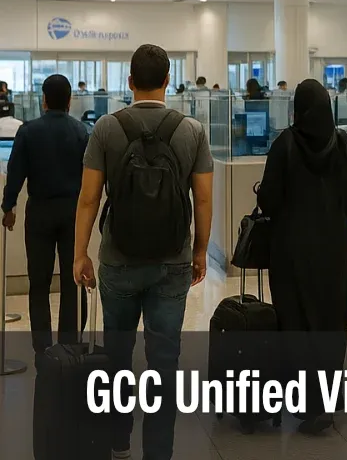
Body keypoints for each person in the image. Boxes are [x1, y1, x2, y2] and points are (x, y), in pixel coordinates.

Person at [73, 44, 214, 460]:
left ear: (130, 81)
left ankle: (118, 443)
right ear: (168, 80)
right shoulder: (192, 130)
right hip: (172, 262)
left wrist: (81, 252)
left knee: (117, 355)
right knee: (164, 359)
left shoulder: (105, 128)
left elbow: (88, 198)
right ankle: (159, 451)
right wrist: (201, 251)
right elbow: (203, 200)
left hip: (118, 259)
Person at [256, 79, 347, 435]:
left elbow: (268, 200)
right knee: (331, 321)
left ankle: (305, 401)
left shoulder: (284, 144)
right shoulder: (344, 143)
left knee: (296, 320)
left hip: (292, 250)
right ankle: (330, 395)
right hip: (334, 249)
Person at [1, 74, 88, 353]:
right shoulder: (80, 131)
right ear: (70, 100)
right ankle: (69, 344)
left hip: (39, 212)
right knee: (71, 280)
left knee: (38, 282)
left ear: (44, 100)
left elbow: (15, 172)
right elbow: (90, 177)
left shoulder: (28, 131)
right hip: (72, 213)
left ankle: (42, 348)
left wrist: (8, 207)